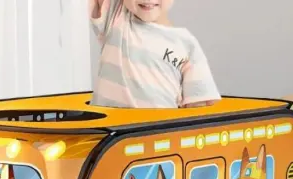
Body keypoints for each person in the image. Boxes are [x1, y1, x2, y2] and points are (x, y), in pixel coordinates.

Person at [89, 0, 221, 108]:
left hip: (158, 129)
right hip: (109, 130)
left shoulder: (187, 45)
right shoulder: (116, 16)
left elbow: (197, 107)